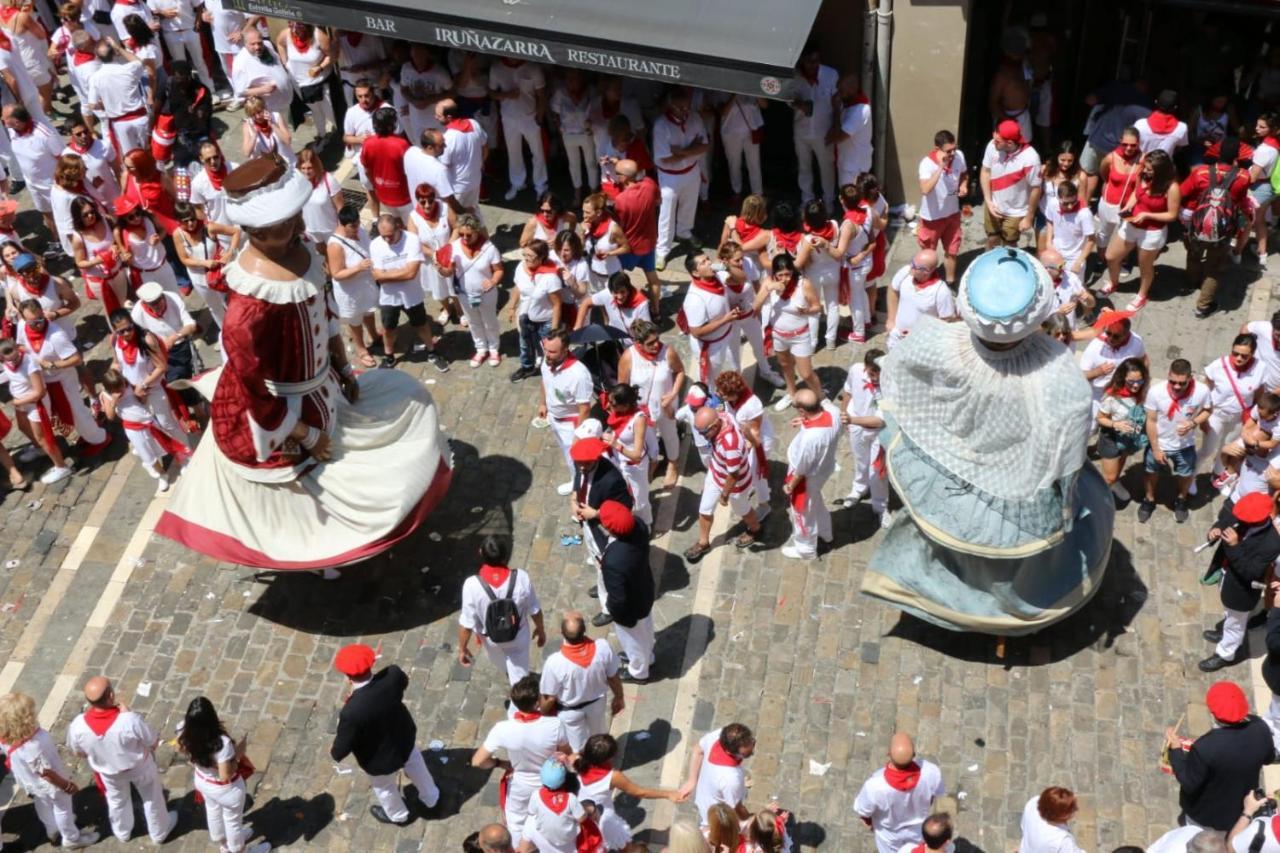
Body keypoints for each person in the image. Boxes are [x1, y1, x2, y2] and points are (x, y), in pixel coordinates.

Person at [153, 155, 451, 570]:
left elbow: (325, 314)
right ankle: (317, 550)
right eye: (283, 225)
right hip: (282, 411)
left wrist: (343, 367)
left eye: (295, 219)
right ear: (255, 231)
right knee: (306, 488)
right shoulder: (247, 310)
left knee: (405, 397)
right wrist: (304, 433)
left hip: (322, 386)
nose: (297, 229)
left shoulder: (306, 251)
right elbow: (252, 386)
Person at [330, 643, 441, 826]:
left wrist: (333, 751)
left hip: (378, 759)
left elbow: (341, 749)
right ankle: (431, 798)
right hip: (403, 738)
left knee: (384, 787)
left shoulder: (351, 711)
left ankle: (398, 815)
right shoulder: (393, 675)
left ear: (348, 676)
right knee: (417, 765)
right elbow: (402, 683)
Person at [65, 676, 176, 844]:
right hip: (139, 768)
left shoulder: (77, 726)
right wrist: (128, 714)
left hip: (108, 773)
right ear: (111, 695)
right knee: (152, 797)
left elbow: (78, 752)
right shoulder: (129, 720)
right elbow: (152, 742)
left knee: (117, 801)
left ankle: (123, 832)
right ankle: (159, 831)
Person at [472, 675, 571, 847]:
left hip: (520, 785)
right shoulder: (555, 725)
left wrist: (499, 763)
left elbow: (478, 761)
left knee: (516, 823)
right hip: (550, 784)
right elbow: (565, 754)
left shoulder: (502, 729)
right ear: (537, 703)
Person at [1167, 681, 1277, 827]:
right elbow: (1268, 757)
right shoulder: (1260, 728)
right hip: (1240, 809)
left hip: (1205, 815)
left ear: (1213, 712)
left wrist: (1175, 750)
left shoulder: (1205, 747)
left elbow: (1189, 781)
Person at [0, 691, 99, 849]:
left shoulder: (4, 737)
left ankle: (52, 828)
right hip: (51, 784)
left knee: (42, 803)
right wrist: (66, 786)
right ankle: (71, 837)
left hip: (30, 782)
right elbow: (46, 773)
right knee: (63, 808)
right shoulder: (37, 742)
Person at [1199, 492, 1280, 672]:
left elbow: (1250, 572)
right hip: (1227, 578)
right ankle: (1224, 631)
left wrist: (1234, 546)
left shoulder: (1272, 543)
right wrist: (1216, 529)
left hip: (1241, 591)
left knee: (1236, 625)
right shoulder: (1244, 517)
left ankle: (1225, 654)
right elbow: (1225, 522)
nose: (1239, 520)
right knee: (1230, 616)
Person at [176, 697, 270, 853]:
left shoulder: (183, 731)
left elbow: (179, 748)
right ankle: (240, 850)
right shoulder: (221, 743)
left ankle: (224, 845)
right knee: (232, 820)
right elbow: (225, 775)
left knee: (213, 810)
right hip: (225, 789)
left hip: (202, 780)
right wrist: (237, 755)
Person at [16, 298, 109, 453]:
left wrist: (52, 365)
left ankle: (99, 438)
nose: (38, 324)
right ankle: (87, 435)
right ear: (23, 319)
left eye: (40, 319)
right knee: (60, 413)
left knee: (75, 411)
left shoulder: (56, 335)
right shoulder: (21, 326)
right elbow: (20, 345)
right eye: (32, 322)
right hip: (43, 381)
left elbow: (76, 359)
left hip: (62, 380)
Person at [457, 535, 546, 685]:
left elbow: (467, 625)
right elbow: (535, 610)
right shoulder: (521, 578)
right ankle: (520, 689)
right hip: (519, 635)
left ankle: (512, 676)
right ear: (505, 556)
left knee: (500, 662)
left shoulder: (471, 585)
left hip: (492, 639)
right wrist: (540, 629)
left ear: (480, 552)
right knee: (520, 674)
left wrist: (462, 649)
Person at [1103, 148, 1180, 311]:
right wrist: (1129, 207)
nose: (1145, 170)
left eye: (1149, 169)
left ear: (1160, 170)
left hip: (1152, 231)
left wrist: (1147, 215)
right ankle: (1113, 283)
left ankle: (1142, 294)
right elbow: (1136, 194)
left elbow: (1172, 215)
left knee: (1145, 266)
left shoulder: (1171, 187)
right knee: (1111, 257)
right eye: (1145, 166)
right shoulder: (1142, 175)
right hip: (1131, 224)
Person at [370, 212, 448, 371]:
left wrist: (387, 275)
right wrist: (401, 273)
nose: (387, 240)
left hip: (411, 295)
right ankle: (389, 356)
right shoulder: (375, 245)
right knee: (388, 328)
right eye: (383, 236)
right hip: (389, 297)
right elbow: (378, 277)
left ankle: (432, 351)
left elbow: (411, 273)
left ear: (398, 227)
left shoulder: (412, 240)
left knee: (421, 325)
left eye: (390, 236)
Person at [1183, 138, 1251, 319]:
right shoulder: (1244, 176)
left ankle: (1192, 282)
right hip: (1223, 230)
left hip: (1197, 226)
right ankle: (1203, 306)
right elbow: (1241, 201)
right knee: (1214, 267)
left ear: (1217, 152)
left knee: (1194, 254)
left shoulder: (1201, 172)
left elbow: (1183, 191)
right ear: (1237, 157)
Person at [684, 406, 762, 563]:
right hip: (716, 473)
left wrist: (725, 495)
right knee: (704, 509)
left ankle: (755, 529)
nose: (702, 436)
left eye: (704, 432)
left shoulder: (730, 446)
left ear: (714, 426)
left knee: (743, 509)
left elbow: (733, 475)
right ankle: (704, 542)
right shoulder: (722, 416)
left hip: (735, 486)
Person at [539, 610, 624, 752]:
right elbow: (613, 677)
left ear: (562, 633)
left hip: (570, 712)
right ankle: (601, 762)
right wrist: (619, 697)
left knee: (576, 747)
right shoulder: (603, 648)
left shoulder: (554, 662)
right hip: (597, 704)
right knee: (599, 738)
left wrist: (541, 712)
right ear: (584, 630)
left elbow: (549, 697)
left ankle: (582, 768)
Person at [1140, 358, 1211, 524]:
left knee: (1185, 475)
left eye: (1182, 383)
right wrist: (1156, 449)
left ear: (1190, 378)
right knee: (1151, 472)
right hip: (1160, 443)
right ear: (1168, 376)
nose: (1177, 387)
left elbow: (1208, 410)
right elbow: (1151, 421)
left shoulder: (1202, 391)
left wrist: (1193, 423)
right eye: (1173, 382)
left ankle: (1181, 499)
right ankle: (1149, 499)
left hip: (1185, 445)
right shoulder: (1156, 392)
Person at [616, 319, 683, 488]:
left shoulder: (667, 352)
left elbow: (680, 371)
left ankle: (673, 464)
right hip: (641, 411)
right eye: (650, 343)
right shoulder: (628, 357)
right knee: (646, 440)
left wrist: (673, 394)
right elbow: (622, 387)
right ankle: (652, 464)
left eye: (657, 340)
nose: (656, 346)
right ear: (638, 343)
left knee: (670, 434)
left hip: (664, 404)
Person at [854, 733, 946, 853]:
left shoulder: (874, 785)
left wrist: (871, 825)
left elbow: (864, 812)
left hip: (889, 834)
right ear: (914, 754)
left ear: (888, 754)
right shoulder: (931, 772)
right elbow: (932, 797)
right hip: (917, 830)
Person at [98, 366, 187, 490]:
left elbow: (143, 402)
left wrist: (141, 396)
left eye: (122, 386)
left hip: (149, 422)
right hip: (132, 429)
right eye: (117, 389)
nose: (122, 390)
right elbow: (110, 417)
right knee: (147, 454)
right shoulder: (106, 396)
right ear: (110, 389)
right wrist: (114, 401)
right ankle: (162, 474)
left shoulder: (130, 386)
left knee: (166, 443)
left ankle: (182, 460)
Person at [0, 335, 73, 483]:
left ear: (16, 348)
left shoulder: (29, 364)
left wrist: (18, 401)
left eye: (15, 356)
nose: (14, 360)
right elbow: (10, 375)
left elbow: (39, 392)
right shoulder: (7, 363)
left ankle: (61, 466)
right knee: (23, 427)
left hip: (35, 404)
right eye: (8, 359)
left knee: (43, 437)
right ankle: (40, 450)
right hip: (22, 403)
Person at [596, 500, 656, 679]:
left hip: (631, 609)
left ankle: (639, 672)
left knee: (633, 640)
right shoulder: (639, 526)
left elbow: (618, 599)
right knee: (646, 630)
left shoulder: (614, 562)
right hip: (644, 590)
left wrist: (614, 611)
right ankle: (647, 657)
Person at [780, 387, 841, 559]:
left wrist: (791, 485)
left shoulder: (810, 439)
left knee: (802, 512)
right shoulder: (833, 413)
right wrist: (804, 421)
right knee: (815, 501)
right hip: (824, 469)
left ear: (802, 410)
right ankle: (825, 531)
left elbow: (802, 469)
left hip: (806, 479)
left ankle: (805, 549)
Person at [653, 88, 710, 269]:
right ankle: (662, 251)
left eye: (686, 106)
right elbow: (665, 157)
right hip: (669, 176)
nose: (685, 111)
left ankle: (684, 232)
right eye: (681, 107)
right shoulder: (661, 125)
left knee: (690, 204)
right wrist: (691, 149)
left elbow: (704, 146)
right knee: (666, 212)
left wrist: (681, 152)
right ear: (671, 105)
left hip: (691, 171)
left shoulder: (695, 118)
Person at [439, 213, 503, 368]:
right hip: (465, 294)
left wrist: (493, 281)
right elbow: (448, 272)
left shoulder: (489, 249)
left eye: (469, 235)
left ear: (477, 231)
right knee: (474, 322)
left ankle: (494, 348)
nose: (464, 238)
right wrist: (441, 269)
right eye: (461, 234)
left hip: (486, 294)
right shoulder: (454, 248)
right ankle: (481, 349)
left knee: (490, 322)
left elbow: (499, 270)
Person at [1201, 334, 1267, 481]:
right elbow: (1205, 390)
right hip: (1216, 413)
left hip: (1238, 417)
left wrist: (1253, 418)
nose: (1238, 359)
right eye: (1235, 353)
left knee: (1228, 447)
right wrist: (1202, 418)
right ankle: (1191, 477)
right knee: (1207, 449)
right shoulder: (1218, 366)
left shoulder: (1260, 368)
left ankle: (1218, 474)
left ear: (1252, 355)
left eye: (1244, 356)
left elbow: (1259, 394)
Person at [535, 329, 593, 494]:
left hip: (571, 424)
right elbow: (545, 381)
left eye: (552, 351)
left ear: (566, 349)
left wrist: (577, 435)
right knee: (568, 457)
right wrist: (543, 404)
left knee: (576, 460)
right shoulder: (547, 361)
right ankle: (575, 481)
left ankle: (581, 492)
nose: (547, 354)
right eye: (545, 349)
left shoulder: (578, 374)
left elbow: (585, 408)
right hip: (554, 418)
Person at [325, 204, 380, 370]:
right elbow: (336, 274)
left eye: (357, 224)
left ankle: (374, 334)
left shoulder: (360, 230)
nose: (356, 228)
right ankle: (361, 348)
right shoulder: (335, 245)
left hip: (366, 284)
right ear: (342, 224)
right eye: (352, 226)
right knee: (355, 320)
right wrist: (358, 268)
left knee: (369, 311)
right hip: (350, 290)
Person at [837, 348, 889, 520]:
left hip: (879, 432)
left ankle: (880, 506)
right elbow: (848, 391)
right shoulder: (855, 370)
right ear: (866, 367)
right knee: (860, 461)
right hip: (856, 425)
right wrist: (844, 413)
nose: (876, 378)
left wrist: (851, 420)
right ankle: (859, 489)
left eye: (879, 373)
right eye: (873, 373)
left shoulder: (891, 384)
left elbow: (881, 421)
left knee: (878, 471)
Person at [173, 201, 237, 330]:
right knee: (215, 307)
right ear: (179, 221)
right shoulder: (178, 235)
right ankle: (225, 333)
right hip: (199, 279)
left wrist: (230, 252)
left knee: (231, 302)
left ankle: (238, 328)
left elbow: (235, 232)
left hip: (219, 274)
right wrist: (204, 263)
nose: (190, 223)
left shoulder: (209, 227)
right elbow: (184, 259)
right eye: (185, 221)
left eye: (192, 219)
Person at [488, 58, 546, 200]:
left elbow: (542, 95)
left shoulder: (533, 67)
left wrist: (539, 118)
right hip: (509, 118)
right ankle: (517, 183)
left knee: (537, 152)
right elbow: (491, 92)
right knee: (513, 152)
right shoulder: (496, 68)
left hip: (530, 117)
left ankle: (541, 185)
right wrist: (506, 95)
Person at [788, 44, 838, 207]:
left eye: (816, 61)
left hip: (824, 131)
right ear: (802, 60)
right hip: (801, 131)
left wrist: (835, 127)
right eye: (809, 61)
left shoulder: (831, 75)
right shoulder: (794, 77)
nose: (813, 65)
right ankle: (807, 200)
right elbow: (789, 99)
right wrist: (800, 105)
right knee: (804, 167)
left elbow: (837, 103)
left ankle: (829, 202)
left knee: (826, 168)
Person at [979, 119, 1042, 249]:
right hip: (994, 204)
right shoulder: (992, 146)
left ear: (1009, 143)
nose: (993, 141)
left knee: (1009, 244)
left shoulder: (1031, 158)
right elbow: (985, 171)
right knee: (992, 239)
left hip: (1016, 210)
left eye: (997, 141)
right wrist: (988, 201)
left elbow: (1036, 188)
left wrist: (1029, 217)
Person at [917, 130, 968, 284]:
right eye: (948, 151)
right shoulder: (926, 164)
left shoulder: (959, 156)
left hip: (952, 214)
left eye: (954, 148)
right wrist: (940, 168)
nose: (953, 153)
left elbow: (964, 174)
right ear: (937, 149)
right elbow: (925, 189)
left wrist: (963, 185)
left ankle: (950, 283)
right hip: (932, 218)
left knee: (952, 251)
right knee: (929, 255)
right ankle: (926, 281)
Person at [3, 104, 62, 237]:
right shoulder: (12, 130)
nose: (2, 119)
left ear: (16, 122)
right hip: (32, 184)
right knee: (46, 213)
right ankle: (57, 240)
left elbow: (62, 158)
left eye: (5, 118)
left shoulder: (44, 134)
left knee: (64, 215)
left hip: (52, 185)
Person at [609, 159, 662, 308]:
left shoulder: (621, 200)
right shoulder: (650, 185)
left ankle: (623, 305)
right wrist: (619, 163)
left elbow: (620, 226)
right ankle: (656, 310)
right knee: (653, 279)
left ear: (623, 178)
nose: (616, 175)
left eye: (617, 173)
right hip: (649, 243)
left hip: (630, 248)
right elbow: (658, 201)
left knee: (617, 278)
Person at [1096, 358, 1149, 503]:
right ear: (1123, 377)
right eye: (1132, 381)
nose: (1136, 385)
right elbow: (1100, 418)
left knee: (1122, 459)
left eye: (1140, 381)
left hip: (1129, 437)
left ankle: (1115, 483)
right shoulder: (1111, 397)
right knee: (1109, 476)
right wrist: (1116, 424)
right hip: (1111, 437)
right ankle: (1100, 498)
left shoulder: (1143, 392)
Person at [679, 722, 755, 826]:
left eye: (752, 742)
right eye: (745, 754)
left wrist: (692, 780)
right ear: (730, 753)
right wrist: (751, 820)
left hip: (706, 799)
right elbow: (736, 807)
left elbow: (698, 749)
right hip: (716, 817)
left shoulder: (720, 735)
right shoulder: (730, 779)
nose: (752, 751)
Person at [681, 251, 739, 385]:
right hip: (712, 347)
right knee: (711, 378)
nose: (709, 263)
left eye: (708, 259)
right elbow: (696, 331)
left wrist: (729, 267)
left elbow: (740, 279)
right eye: (703, 262)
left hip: (726, 334)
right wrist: (725, 319)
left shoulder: (716, 276)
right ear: (696, 273)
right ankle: (712, 399)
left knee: (732, 364)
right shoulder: (695, 299)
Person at [1080, 311, 1148, 422]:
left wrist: (1143, 383)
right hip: (1099, 393)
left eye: (1116, 336)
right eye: (1108, 333)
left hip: (1125, 391)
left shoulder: (1136, 342)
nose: (1110, 338)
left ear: (1126, 334)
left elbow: (1143, 359)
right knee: (1092, 426)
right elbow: (1080, 376)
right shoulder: (1095, 347)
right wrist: (1097, 372)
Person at [406, 181, 457, 326]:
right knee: (438, 287)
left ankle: (459, 310)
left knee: (455, 285)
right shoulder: (413, 217)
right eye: (423, 202)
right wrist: (434, 254)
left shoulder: (445, 208)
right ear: (418, 201)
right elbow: (414, 241)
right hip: (431, 261)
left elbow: (457, 228)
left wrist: (448, 248)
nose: (427, 205)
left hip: (450, 255)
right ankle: (447, 309)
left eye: (430, 201)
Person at [69, 195, 128, 319]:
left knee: (124, 303)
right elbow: (79, 262)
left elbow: (119, 237)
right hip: (100, 281)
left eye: (92, 212)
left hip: (117, 272)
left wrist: (115, 246)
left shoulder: (106, 221)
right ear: (78, 218)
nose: (91, 216)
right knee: (111, 310)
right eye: (85, 215)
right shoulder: (78, 237)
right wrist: (97, 261)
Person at [885, 249, 957, 349]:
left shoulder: (941, 292)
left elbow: (946, 319)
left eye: (915, 266)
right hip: (896, 335)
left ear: (927, 272)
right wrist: (891, 320)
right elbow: (892, 289)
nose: (911, 267)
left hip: (919, 343)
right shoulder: (906, 272)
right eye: (912, 262)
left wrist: (926, 336)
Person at [795, 199, 842, 350]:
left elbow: (798, 263)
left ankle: (813, 343)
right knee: (833, 306)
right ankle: (831, 341)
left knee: (813, 309)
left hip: (814, 275)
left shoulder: (808, 239)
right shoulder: (835, 225)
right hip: (833, 272)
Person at [342, 79, 391, 217]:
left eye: (367, 95)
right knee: (370, 190)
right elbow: (346, 137)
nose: (364, 100)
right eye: (360, 96)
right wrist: (360, 139)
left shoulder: (386, 109)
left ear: (373, 93)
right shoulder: (352, 112)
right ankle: (376, 219)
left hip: (385, 159)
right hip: (364, 160)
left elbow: (396, 134)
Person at [278, 22, 333, 144]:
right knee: (314, 110)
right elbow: (280, 44)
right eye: (291, 26)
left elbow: (332, 55)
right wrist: (285, 62)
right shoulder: (286, 34)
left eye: (298, 27)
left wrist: (320, 67)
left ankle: (343, 136)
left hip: (319, 83)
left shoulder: (318, 35)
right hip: (300, 84)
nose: (294, 30)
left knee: (329, 111)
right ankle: (322, 135)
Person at [436, 98, 488, 213]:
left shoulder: (448, 138)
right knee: (473, 212)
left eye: (438, 115)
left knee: (456, 219)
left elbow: (443, 168)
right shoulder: (474, 124)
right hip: (475, 181)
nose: (436, 117)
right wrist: (480, 164)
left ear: (448, 117)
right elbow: (485, 148)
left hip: (457, 188)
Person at [361, 106, 412, 221]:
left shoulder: (367, 144)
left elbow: (367, 170)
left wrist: (376, 185)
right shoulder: (402, 145)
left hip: (383, 195)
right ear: (392, 125)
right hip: (404, 197)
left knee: (397, 222)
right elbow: (411, 171)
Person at [1042, 181, 1095, 292]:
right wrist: (1048, 242)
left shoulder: (1084, 214)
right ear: (1058, 198)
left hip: (1074, 257)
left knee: (1077, 288)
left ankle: (1088, 309)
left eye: (1073, 202)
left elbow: (1091, 240)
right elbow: (1050, 221)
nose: (1070, 206)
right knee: (1054, 282)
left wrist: (1079, 261)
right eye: (1065, 203)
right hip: (1056, 252)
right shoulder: (1052, 204)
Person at [230, 29, 292, 123]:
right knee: (278, 134)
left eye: (259, 43)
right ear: (245, 43)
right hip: (270, 108)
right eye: (253, 44)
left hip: (284, 101)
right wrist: (264, 89)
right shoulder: (240, 63)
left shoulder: (267, 45)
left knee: (285, 130)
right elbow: (240, 91)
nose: (257, 47)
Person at [1037, 140, 1086, 252]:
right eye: (1062, 160)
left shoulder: (1080, 176)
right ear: (1056, 157)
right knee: (1042, 252)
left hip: (1067, 218)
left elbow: (1082, 202)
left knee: (1060, 254)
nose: (1066, 164)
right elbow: (1038, 192)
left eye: (1070, 160)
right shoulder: (1046, 170)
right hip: (1044, 215)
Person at [720, 92, 765, 201]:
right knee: (734, 163)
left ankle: (757, 194)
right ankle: (736, 191)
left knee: (754, 163)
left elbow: (765, 105)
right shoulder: (722, 89)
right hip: (731, 132)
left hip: (751, 131)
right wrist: (734, 94)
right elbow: (722, 112)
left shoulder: (752, 87)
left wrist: (755, 91)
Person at [830, 74, 872, 188]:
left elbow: (838, 137)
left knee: (852, 201)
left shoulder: (859, 110)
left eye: (841, 91)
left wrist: (836, 110)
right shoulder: (849, 106)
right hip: (848, 163)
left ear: (852, 89)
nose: (838, 94)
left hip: (854, 167)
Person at [1017, 787, 1084, 853]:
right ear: (1061, 816)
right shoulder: (1062, 841)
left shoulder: (1033, 803)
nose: (1077, 809)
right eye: (1072, 810)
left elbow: (1024, 827)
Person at [1135, 89, 1190, 156]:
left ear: (1156, 102)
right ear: (1175, 107)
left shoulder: (1140, 124)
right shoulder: (1182, 127)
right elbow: (1179, 148)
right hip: (1166, 165)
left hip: (1141, 164)